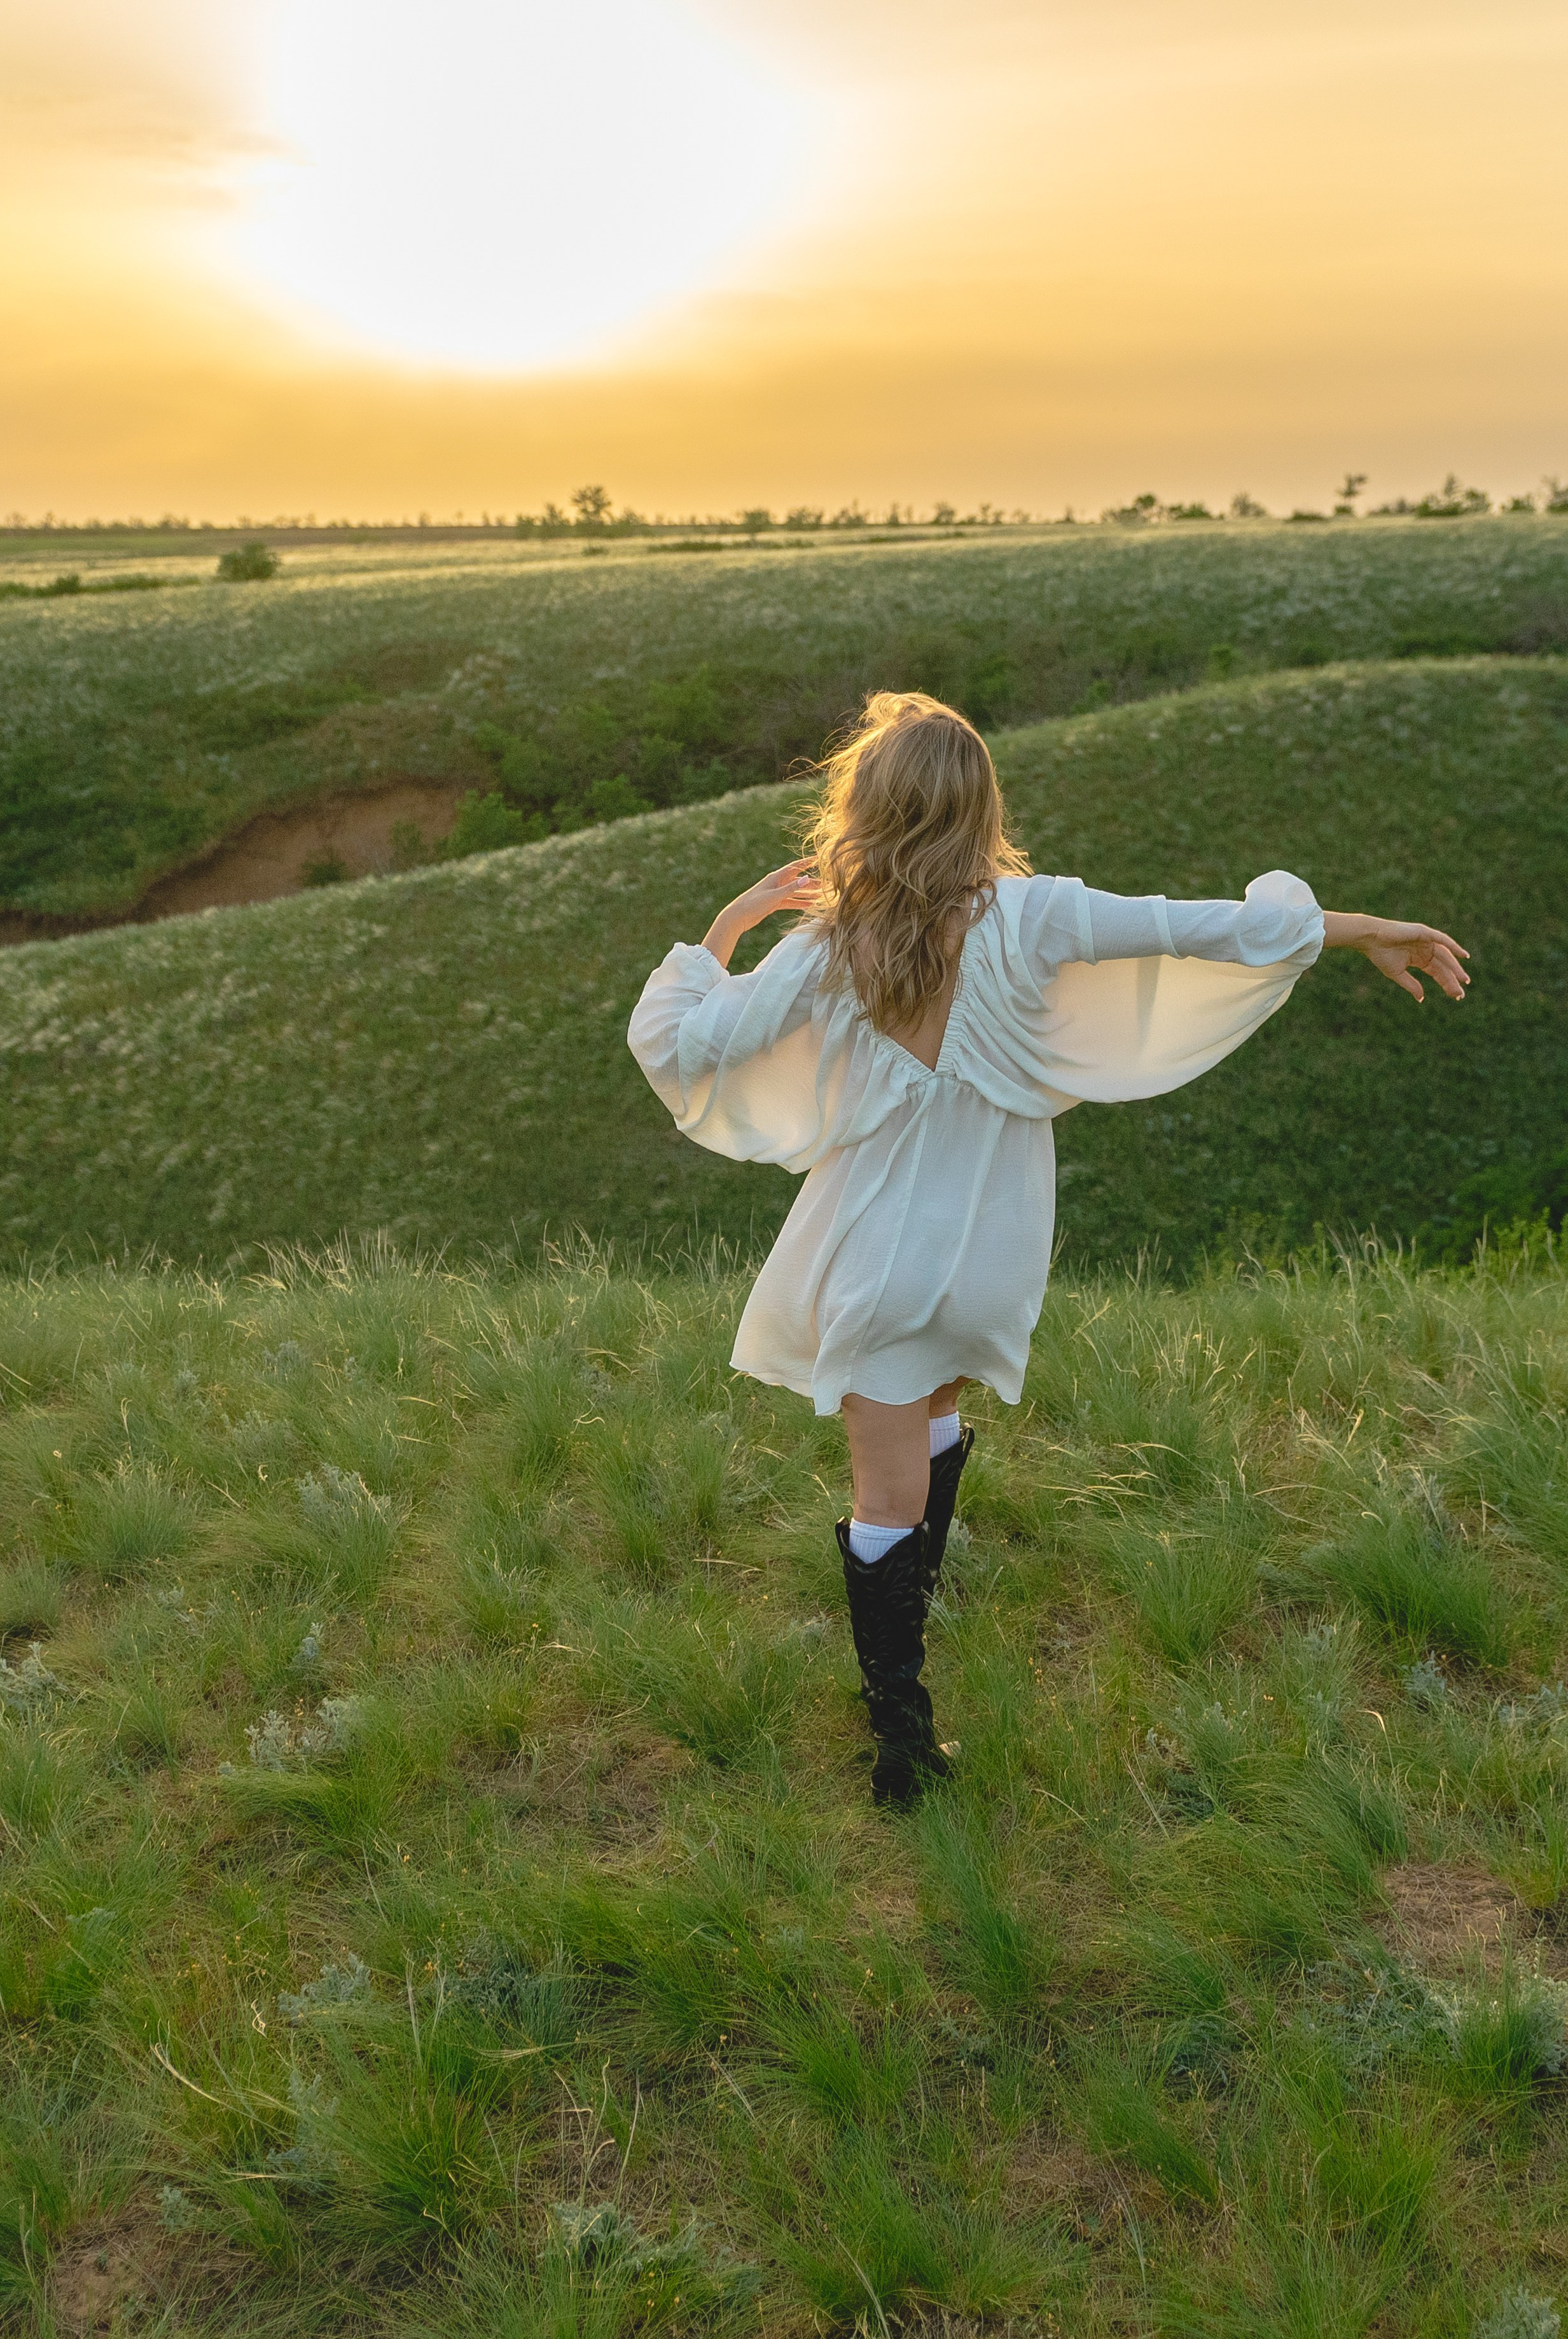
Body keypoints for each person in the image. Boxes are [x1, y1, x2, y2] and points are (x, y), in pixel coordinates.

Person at [627, 691, 1468, 1805]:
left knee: (884, 1503)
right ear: (982, 812)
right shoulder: (1034, 917)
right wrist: (1356, 928)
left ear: (863, 813)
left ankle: (901, 1743)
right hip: (990, 1258)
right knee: (936, 1422)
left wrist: (727, 927)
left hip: (876, 1261)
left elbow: (692, 1044)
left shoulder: (825, 947)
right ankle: (910, 1675)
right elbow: (1203, 926)